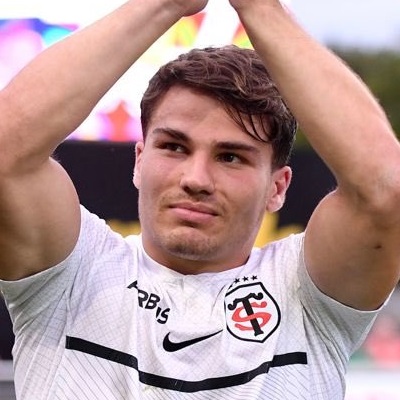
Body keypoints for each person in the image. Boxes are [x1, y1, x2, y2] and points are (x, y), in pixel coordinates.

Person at [0, 0, 399, 399]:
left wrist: (259, 7)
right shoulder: (71, 275)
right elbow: (6, 153)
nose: (196, 179)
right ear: (139, 161)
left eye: (230, 157)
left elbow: (384, 190)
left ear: (277, 187)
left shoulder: (306, 296)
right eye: (174, 147)